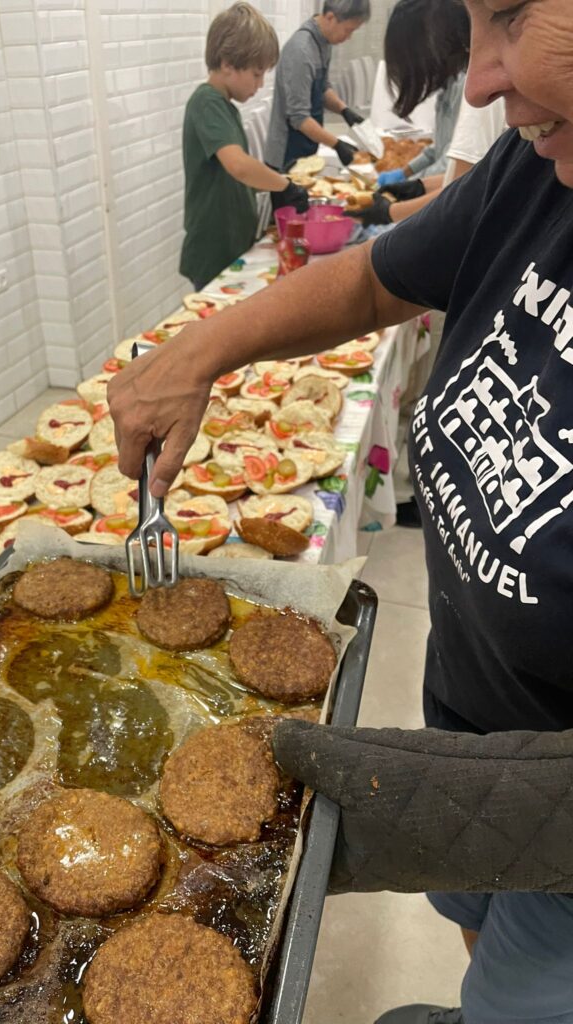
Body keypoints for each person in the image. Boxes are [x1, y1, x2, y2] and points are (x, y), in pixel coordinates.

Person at [109, 0, 573, 1020]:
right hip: (466, 719)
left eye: (511, 16)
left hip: (559, 813)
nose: (483, 82)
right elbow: (371, 278)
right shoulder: (537, 175)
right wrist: (191, 358)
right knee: (477, 943)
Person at [179, 2, 309, 292]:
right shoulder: (206, 103)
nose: (260, 84)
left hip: (233, 244)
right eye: (256, 73)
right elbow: (238, 166)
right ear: (227, 63)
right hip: (214, 250)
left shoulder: (226, 108)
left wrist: (272, 188)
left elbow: (236, 177)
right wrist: (284, 185)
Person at [352, 96, 507, 228]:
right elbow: (478, 174)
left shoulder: (475, 99)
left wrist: (391, 212)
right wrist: (419, 186)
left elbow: (463, 190)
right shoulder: (449, 91)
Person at [264, 0, 371, 173]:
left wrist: (344, 110)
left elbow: (322, 88)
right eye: (348, 30)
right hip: (287, 153)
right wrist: (337, 144)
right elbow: (299, 118)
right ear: (330, 17)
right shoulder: (301, 51)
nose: (348, 37)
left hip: (307, 146)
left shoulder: (323, 43)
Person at [375, 0, 469, 187]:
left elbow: (452, 164)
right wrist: (404, 173)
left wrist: (412, 186)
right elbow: (440, 148)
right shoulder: (449, 84)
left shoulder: (465, 85)